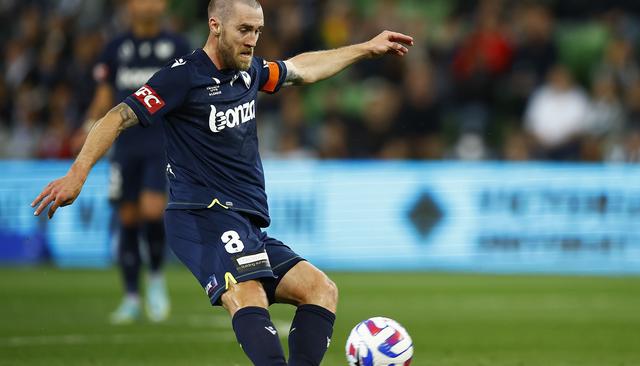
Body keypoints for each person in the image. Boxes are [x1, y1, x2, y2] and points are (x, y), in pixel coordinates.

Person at [32, 0, 413, 364]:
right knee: (247, 292)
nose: (252, 39)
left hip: (245, 222)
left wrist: (367, 48)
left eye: (258, 31)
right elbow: (116, 116)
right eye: (244, 29)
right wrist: (77, 174)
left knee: (321, 290)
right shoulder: (182, 76)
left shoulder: (249, 71)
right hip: (201, 217)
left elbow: (302, 69)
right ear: (215, 26)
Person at [74, 0, 190, 324]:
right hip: (123, 146)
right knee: (127, 218)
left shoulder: (177, 46)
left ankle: (154, 277)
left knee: (152, 210)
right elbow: (103, 97)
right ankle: (131, 297)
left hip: (160, 143)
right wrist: (87, 129)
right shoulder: (114, 48)